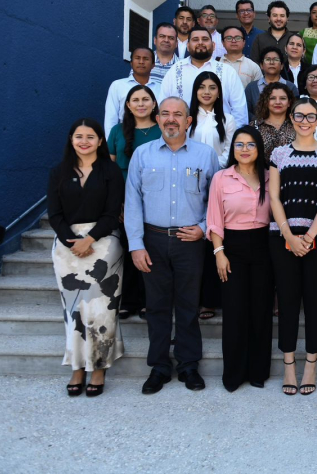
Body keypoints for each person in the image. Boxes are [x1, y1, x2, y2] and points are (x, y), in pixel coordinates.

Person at [125, 97, 220, 395]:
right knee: (157, 306)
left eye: (177, 114)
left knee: (189, 305)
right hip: (152, 240)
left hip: (190, 241)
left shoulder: (206, 156)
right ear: (156, 119)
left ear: (188, 121)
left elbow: (216, 202)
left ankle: (188, 365)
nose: (171, 119)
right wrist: (136, 245)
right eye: (164, 114)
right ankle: (159, 366)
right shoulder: (142, 155)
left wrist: (204, 229)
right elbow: (132, 203)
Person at [269, 98, 317, 396]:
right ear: (292, 117)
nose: (304, 120)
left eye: (310, 116)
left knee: (314, 301)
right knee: (287, 302)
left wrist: (309, 237)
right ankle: (288, 365)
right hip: (282, 236)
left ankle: (311, 363)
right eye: (299, 115)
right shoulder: (278, 154)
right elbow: (274, 197)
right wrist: (288, 235)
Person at [48, 118, 125, 397]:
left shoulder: (110, 171)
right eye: (79, 136)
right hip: (67, 248)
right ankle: (77, 367)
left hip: (103, 244)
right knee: (74, 312)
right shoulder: (58, 172)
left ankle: (99, 367)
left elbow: (112, 210)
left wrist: (90, 239)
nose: (84, 141)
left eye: (90, 136)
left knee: (100, 310)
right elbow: (54, 214)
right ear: (71, 140)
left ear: (100, 141)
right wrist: (73, 241)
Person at [205, 126, 273, 392]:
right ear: (233, 149)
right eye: (239, 145)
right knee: (234, 312)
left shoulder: (269, 177)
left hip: (263, 246)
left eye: (250, 145)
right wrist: (219, 253)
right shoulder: (222, 178)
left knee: (261, 310)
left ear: (259, 149)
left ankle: (258, 371)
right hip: (231, 247)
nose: (245, 150)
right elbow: (214, 220)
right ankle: (233, 374)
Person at [108, 86, 160, 320]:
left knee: (153, 252)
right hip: (125, 199)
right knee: (131, 251)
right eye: (135, 100)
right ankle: (129, 301)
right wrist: (117, 204)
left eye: (145, 99)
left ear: (153, 103)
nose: (141, 104)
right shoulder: (117, 131)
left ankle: (150, 302)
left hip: (155, 198)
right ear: (128, 105)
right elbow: (109, 170)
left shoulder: (162, 130)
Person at [187, 73, 236, 320]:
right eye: (202, 87)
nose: (207, 92)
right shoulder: (187, 119)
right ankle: (192, 298)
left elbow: (230, 151)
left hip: (219, 184)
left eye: (212, 87)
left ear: (219, 92)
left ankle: (210, 299)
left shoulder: (227, 119)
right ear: (195, 91)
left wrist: (211, 169)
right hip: (189, 186)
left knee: (214, 239)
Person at [160, 26, 248, 126]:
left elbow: (239, 110)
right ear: (188, 46)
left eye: (205, 39)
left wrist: (234, 138)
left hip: (221, 136)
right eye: (195, 39)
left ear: (213, 45)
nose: (200, 42)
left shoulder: (228, 72)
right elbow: (163, 105)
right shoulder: (175, 71)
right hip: (183, 137)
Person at [104, 47, 160, 134]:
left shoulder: (160, 88)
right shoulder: (117, 85)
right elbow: (110, 118)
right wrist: (111, 142)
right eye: (137, 58)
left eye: (146, 59)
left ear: (153, 65)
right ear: (131, 63)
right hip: (124, 134)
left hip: (153, 135)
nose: (141, 62)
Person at [246, 46, 299, 115]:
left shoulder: (291, 87)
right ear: (261, 65)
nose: (271, 63)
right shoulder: (251, 87)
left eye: (276, 60)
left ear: (282, 66)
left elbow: (295, 112)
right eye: (267, 59)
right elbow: (246, 112)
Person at [252, 81, 296, 162]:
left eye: (282, 98)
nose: (278, 102)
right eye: (272, 98)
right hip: (262, 173)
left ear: (289, 103)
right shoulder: (254, 126)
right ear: (266, 102)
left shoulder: (297, 125)